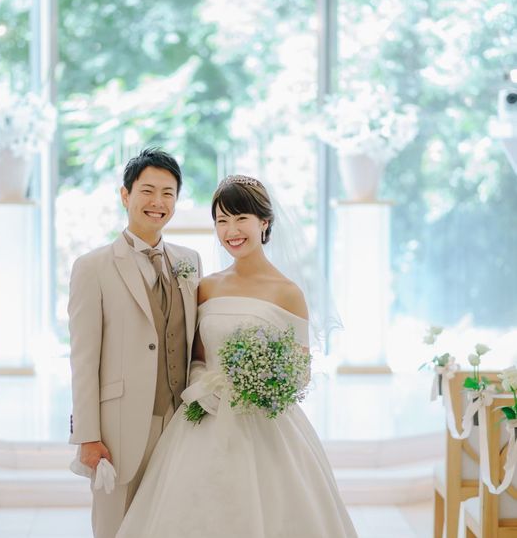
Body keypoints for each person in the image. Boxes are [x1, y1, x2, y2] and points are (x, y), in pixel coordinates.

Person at [115, 175, 357, 538]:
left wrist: (261, 386)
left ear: (264, 222)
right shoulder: (207, 286)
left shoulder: (288, 292)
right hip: (205, 419)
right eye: (222, 220)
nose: (231, 230)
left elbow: (300, 371)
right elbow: (197, 357)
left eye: (241, 218)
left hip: (266, 427)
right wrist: (203, 384)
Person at [68, 147, 203, 538]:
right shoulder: (92, 267)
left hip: (180, 422)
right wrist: (88, 436)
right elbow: (83, 360)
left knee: (172, 524)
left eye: (168, 193)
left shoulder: (190, 261)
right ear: (125, 196)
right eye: (147, 191)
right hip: (119, 428)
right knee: (115, 526)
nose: (158, 202)